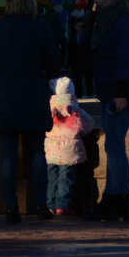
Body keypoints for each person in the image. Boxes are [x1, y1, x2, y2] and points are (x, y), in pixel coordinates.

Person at [0, 0, 61, 222]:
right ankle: (41, 206)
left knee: (7, 154)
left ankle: (11, 209)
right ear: (31, 2)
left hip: (4, 98)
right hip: (33, 97)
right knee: (37, 152)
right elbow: (53, 63)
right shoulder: (40, 28)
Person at [85, 0, 129, 222]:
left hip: (119, 92)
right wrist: (91, 17)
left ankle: (114, 198)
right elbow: (86, 46)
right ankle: (121, 200)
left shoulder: (122, 20)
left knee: (114, 147)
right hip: (108, 90)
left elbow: (126, 58)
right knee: (115, 146)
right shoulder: (104, 18)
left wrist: (120, 92)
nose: (94, 0)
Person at [45, 75, 94, 216]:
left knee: (52, 178)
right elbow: (88, 125)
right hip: (69, 152)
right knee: (66, 179)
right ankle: (62, 205)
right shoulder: (75, 110)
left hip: (51, 151)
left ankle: (50, 203)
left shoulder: (49, 109)